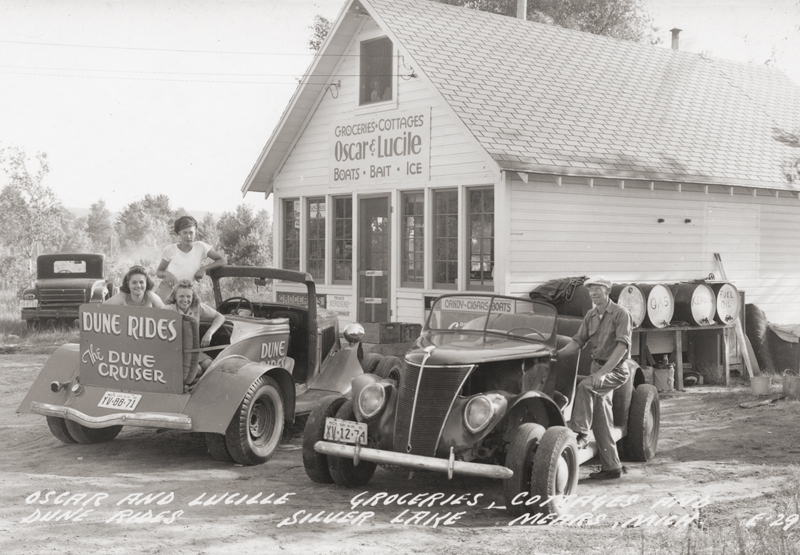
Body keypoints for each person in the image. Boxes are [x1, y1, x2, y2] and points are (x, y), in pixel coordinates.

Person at [557, 275, 632, 480]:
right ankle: (612, 467)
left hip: (614, 370)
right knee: (601, 416)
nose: (593, 293)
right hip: (596, 368)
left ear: (607, 291)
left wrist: (601, 373)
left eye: (598, 289)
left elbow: (621, 347)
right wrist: (555, 355)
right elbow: (577, 342)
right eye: (590, 290)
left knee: (585, 387)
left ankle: (580, 433)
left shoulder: (621, 314)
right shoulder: (590, 315)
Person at [155, 215, 227, 301]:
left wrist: (204, 268)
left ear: (195, 232)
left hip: (186, 292)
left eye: (191, 232)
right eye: (185, 232)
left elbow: (222, 260)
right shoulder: (170, 249)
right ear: (179, 233)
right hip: (167, 290)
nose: (188, 236)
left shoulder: (200, 247)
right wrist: (167, 274)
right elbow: (159, 272)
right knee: (162, 313)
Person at [165, 280, 226, 375]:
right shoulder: (168, 310)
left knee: (210, 365)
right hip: (174, 351)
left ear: (193, 297)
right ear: (175, 297)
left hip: (192, 350)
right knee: (196, 371)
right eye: (181, 296)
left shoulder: (197, 307)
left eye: (188, 296)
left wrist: (209, 333)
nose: (185, 300)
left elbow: (220, 317)